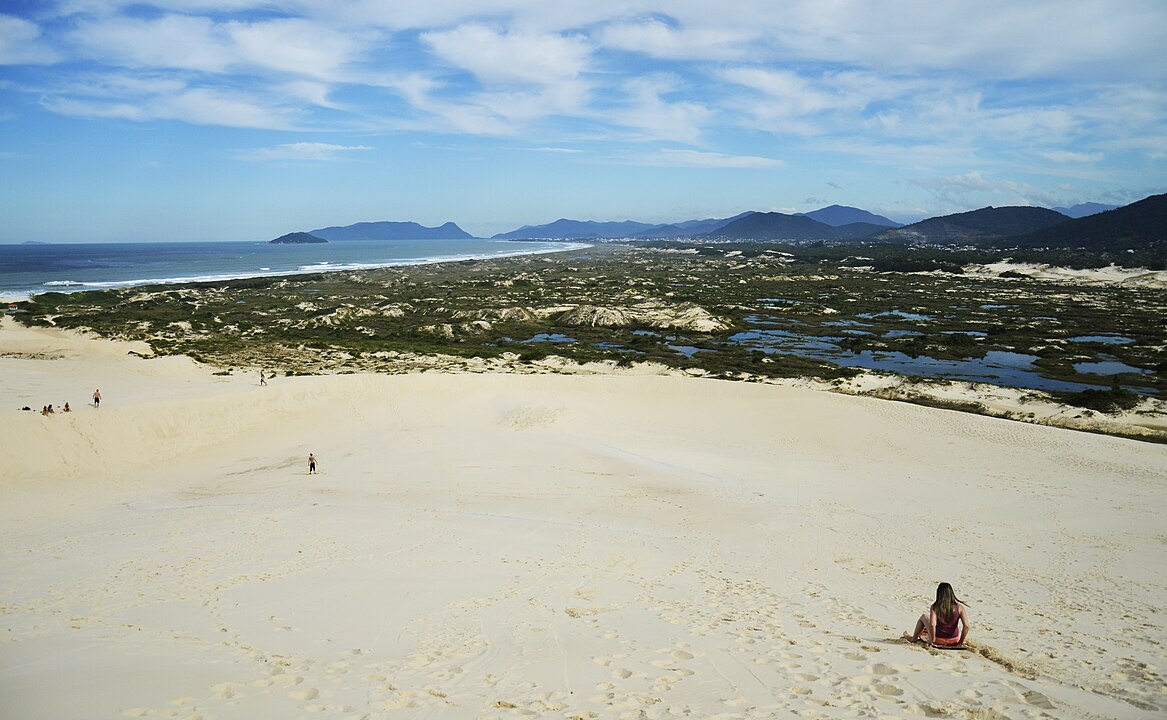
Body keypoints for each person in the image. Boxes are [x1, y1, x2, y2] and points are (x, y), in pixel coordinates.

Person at [903, 582, 970, 648]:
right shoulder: (959, 607)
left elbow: (932, 624)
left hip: (938, 640)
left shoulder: (935, 606)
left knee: (924, 616)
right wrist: (960, 642)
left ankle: (913, 639)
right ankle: (961, 641)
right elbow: (966, 626)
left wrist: (932, 639)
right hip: (954, 640)